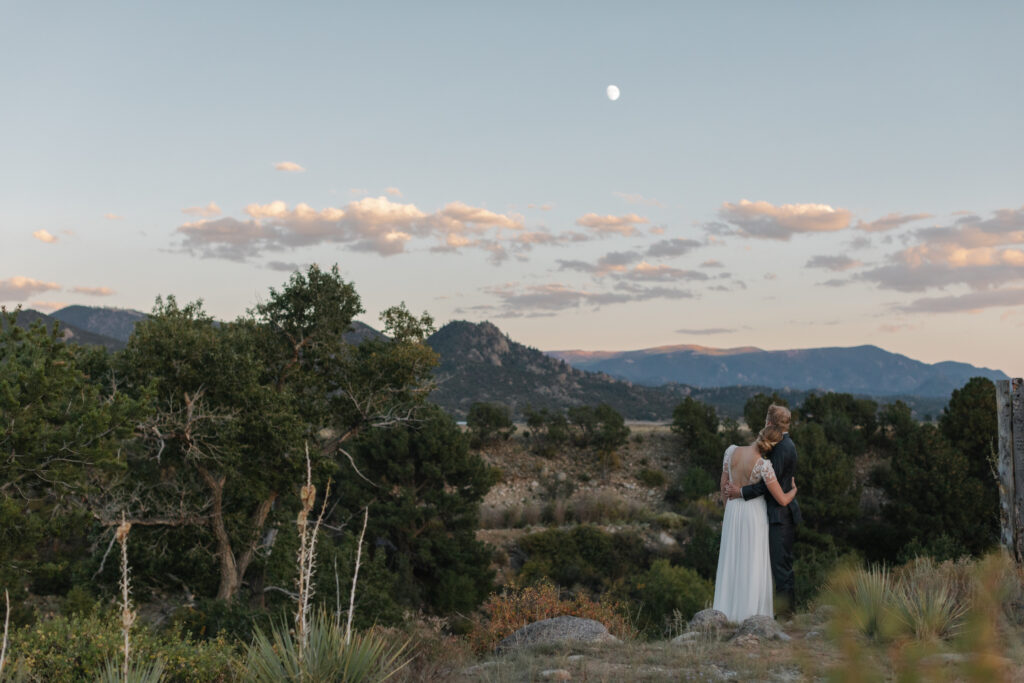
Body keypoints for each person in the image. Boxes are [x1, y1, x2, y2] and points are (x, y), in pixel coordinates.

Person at [712, 422, 797, 621]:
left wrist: (727, 511)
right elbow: (782, 500)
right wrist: (794, 490)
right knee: (752, 562)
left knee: (731, 560)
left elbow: (723, 484)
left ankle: (726, 612)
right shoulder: (764, 466)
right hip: (753, 516)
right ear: (773, 445)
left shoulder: (731, 451)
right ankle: (750, 614)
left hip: (732, 511)